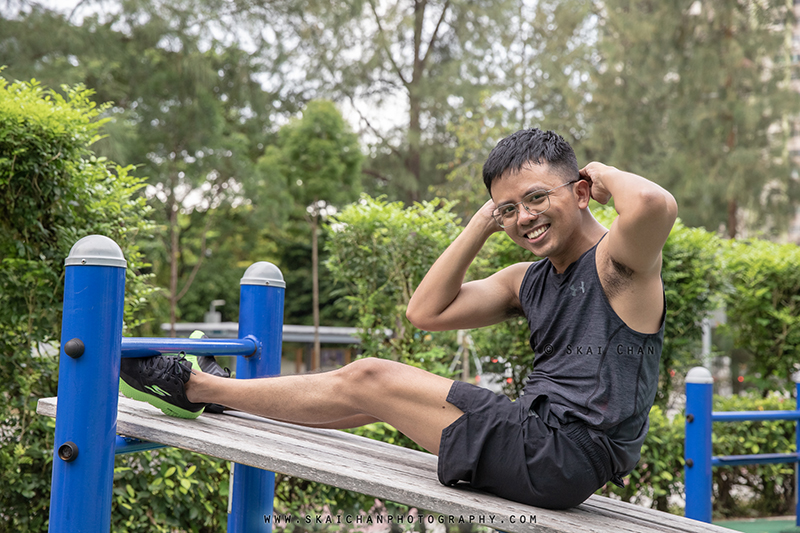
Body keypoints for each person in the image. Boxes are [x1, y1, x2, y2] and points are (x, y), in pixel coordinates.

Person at [120, 128, 677, 509]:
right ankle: (222, 396)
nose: (522, 218)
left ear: (581, 192)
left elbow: (655, 205)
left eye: (535, 199)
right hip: (544, 446)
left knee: (370, 376)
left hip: (561, 452)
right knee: (366, 399)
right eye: (507, 209)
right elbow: (426, 312)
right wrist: (483, 223)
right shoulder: (524, 280)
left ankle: (190, 385)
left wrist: (599, 171)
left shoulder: (618, 265)